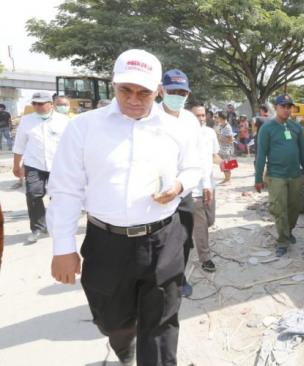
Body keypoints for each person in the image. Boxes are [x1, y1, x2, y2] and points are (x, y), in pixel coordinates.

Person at [47, 49, 201, 366]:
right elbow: (65, 189)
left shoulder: (179, 128)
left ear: (158, 90)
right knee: (111, 318)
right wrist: (63, 247)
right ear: (113, 85)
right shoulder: (84, 128)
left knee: (160, 324)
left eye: (143, 92)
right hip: (106, 243)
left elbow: (194, 167)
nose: (133, 99)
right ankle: (122, 341)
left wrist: (180, 186)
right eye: (125, 90)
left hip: (162, 239)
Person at [159, 69, 202, 298]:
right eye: (172, 91)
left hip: (184, 189)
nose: (177, 96)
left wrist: (202, 183)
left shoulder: (190, 120)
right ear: (161, 90)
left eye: (181, 92)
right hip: (158, 190)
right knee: (160, 240)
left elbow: (196, 156)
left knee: (184, 238)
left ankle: (180, 277)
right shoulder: (149, 117)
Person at [254, 95, 304, 257]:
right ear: (276, 107)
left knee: (294, 208)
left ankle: (289, 231)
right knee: (279, 209)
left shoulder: (296, 128)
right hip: (276, 176)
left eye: (289, 107)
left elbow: (303, 153)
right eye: (283, 106)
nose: (287, 109)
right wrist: (258, 178)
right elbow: (261, 155)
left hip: (295, 175)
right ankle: (282, 241)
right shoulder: (267, 128)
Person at [12, 92, 70, 244]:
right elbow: (19, 145)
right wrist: (16, 165)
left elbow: (72, 146)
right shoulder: (26, 121)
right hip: (34, 164)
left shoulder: (64, 121)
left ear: (51, 104)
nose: (37, 106)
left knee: (58, 197)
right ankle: (38, 228)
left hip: (58, 165)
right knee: (32, 194)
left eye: (41, 103)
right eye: (35, 103)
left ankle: (56, 225)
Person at [190, 105, 220, 272]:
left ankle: (191, 233)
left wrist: (223, 163)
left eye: (202, 115)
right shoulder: (183, 134)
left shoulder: (210, 132)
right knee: (201, 224)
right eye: (197, 116)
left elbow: (213, 155)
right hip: (194, 189)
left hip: (210, 185)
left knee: (210, 220)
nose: (200, 118)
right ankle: (205, 258)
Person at [215, 111, 235, 184]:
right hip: (222, 147)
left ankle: (228, 179)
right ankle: (226, 179)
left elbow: (230, 139)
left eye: (217, 117)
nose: (216, 119)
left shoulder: (227, 127)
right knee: (222, 163)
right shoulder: (222, 126)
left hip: (227, 148)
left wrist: (220, 138)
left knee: (227, 164)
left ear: (221, 118)